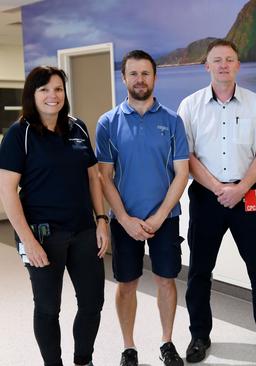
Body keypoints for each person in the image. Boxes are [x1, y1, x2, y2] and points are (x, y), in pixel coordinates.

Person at [177, 39, 256, 363]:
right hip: (206, 197)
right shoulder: (190, 105)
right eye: (217, 60)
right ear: (206, 66)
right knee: (199, 269)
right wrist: (217, 188)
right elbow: (187, 155)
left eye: (229, 59)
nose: (223, 65)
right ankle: (199, 336)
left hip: (248, 194)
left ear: (238, 65)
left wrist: (240, 187)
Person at [0, 66, 108, 366]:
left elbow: (93, 178)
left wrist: (102, 219)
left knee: (92, 303)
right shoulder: (18, 135)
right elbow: (7, 191)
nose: (52, 95)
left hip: (84, 231)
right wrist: (28, 241)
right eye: (44, 89)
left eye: (58, 89)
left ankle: (83, 359)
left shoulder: (78, 128)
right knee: (48, 307)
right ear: (32, 95)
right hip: (43, 235)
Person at [96, 50, 189, 366]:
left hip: (166, 218)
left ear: (155, 77)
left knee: (166, 280)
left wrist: (160, 215)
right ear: (123, 78)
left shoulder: (173, 120)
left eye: (145, 73)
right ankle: (128, 347)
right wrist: (124, 219)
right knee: (127, 283)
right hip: (125, 221)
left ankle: (166, 342)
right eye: (133, 73)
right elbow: (104, 177)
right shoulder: (108, 123)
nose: (139, 79)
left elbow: (182, 173)